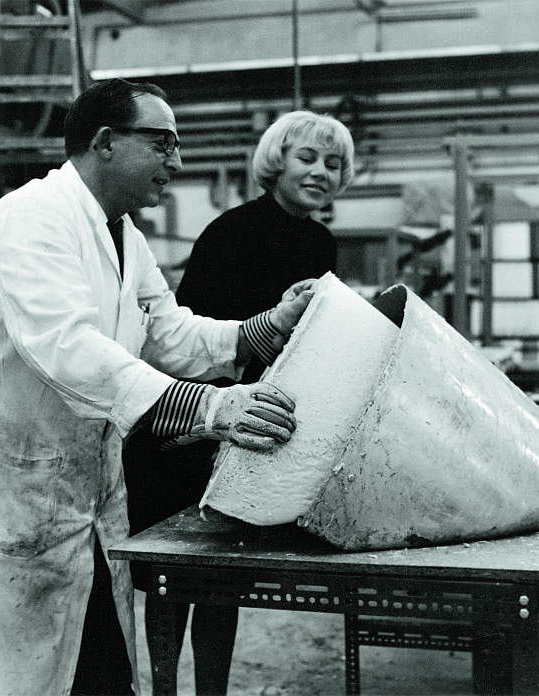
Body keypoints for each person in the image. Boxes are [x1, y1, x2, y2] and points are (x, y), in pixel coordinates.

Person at [0, 78, 316, 696]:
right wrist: (208, 407)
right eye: (162, 144)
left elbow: (174, 336)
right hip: (18, 497)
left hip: (90, 500)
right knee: (21, 675)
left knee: (100, 669)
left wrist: (270, 326)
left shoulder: (124, 234)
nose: (176, 163)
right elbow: (67, 350)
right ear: (105, 142)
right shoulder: (31, 219)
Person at [123, 110, 355, 695]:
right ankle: (166, 689)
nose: (320, 171)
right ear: (276, 163)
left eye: (333, 163)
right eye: (307, 158)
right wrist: (267, 331)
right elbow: (188, 345)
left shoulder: (320, 242)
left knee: (221, 582)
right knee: (175, 578)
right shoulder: (231, 231)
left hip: (257, 421)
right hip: (194, 427)